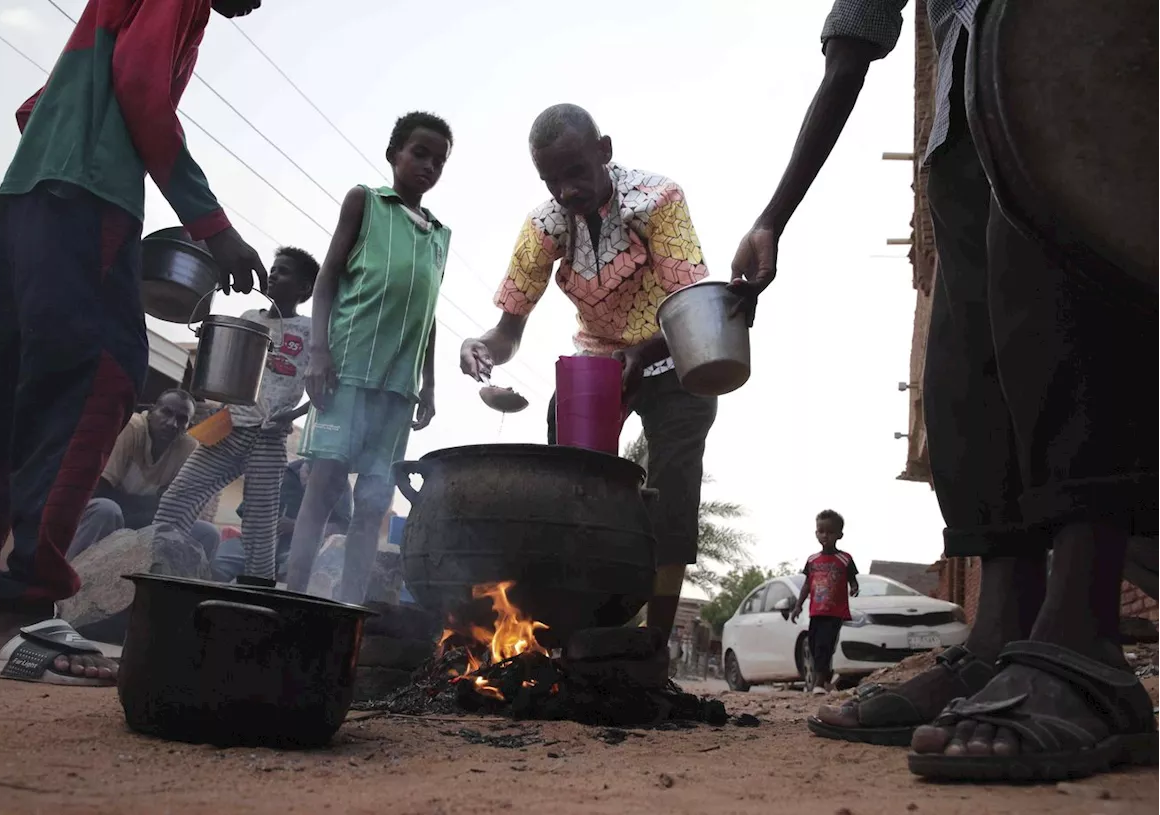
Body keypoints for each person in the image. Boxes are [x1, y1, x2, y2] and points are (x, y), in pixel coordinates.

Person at [737, 0, 1159, 782]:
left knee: (1067, 309)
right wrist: (776, 214)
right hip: (966, 112)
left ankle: (1083, 639)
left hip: (1078, 49)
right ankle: (999, 637)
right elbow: (857, 35)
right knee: (969, 365)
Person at [0, 0, 267, 686]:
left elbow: (39, 105)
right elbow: (137, 87)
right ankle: (25, 612)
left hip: (30, 194)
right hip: (88, 195)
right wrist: (211, 223)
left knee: (1, 391)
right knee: (100, 375)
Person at [459, 104, 716, 638]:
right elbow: (507, 332)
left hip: (672, 351)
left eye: (576, 172)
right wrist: (480, 344)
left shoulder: (658, 200)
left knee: (674, 492)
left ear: (604, 151)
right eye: (551, 179)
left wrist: (641, 356)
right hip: (599, 360)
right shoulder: (544, 226)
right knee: (571, 485)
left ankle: (654, 642)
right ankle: (570, 628)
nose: (566, 190)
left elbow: (693, 306)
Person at [284, 112, 453, 606]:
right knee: (325, 484)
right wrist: (318, 352)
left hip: (399, 387)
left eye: (439, 160)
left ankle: (349, 610)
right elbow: (328, 278)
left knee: (375, 498)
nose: (428, 165)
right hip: (347, 370)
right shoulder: (366, 202)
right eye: (419, 153)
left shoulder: (440, 235)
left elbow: (430, 311)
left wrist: (431, 381)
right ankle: (293, 598)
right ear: (393, 154)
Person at [152, 247, 318, 583]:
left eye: (284, 272)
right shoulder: (249, 319)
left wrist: (294, 414)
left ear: (303, 290)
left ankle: (256, 587)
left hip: (269, 436)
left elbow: (323, 387)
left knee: (260, 523)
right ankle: (155, 562)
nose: (273, 275)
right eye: (273, 269)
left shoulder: (310, 330)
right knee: (180, 496)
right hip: (229, 426)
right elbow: (223, 365)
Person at [66, 389, 220, 561]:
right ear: (152, 411)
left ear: (188, 426)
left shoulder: (187, 447)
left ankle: (172, 587)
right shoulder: (131, 427)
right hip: (109, 515)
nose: (172, 424)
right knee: (107, 509)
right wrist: (150, 507)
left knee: (207, 533)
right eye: (166, 413)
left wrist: (149, 509)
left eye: (182, 419)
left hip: (148, 524)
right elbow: (100, 490)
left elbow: (175, 508)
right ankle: (68, 575)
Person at [210, 458, 352, 583]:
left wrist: (298, 527)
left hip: (301, 551)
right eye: (309, 477)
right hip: (257, 542)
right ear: (304, 468)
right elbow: (247, 511)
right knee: (221, 562)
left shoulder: (341, 484)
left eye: (320, 482)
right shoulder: (281, 472)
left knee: (297, 571)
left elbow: (343, 528)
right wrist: (266, 521)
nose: (311, 485)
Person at [790, 510, 859, 694]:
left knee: (824, 645)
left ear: (839, 535)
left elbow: (852, 579)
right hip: (816, 611)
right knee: (814, 646)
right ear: (816, 533)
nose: (825, 535)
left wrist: (854, 587)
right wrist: (798, 606)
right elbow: (806, 585)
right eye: (821, 531)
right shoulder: (812, 560)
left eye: (829, 532)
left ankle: (819, 684)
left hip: (835, 613)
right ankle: (826, 676)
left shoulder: (845, 559)